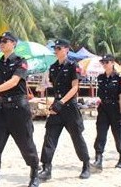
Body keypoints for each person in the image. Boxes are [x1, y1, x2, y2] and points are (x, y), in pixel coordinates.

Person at [0, 31, 40, 187]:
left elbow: (14, 82)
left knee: (26, 144)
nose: (2, 43)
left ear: (14, 44)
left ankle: (34, 173)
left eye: (6, 41)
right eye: (0, 41)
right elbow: (0, 85)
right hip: (3, 108)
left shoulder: (21, 62)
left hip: (19, 108)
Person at [37, 39, 90, 181]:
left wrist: (61, 102)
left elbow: (75, 88)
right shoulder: (53, 67)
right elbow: (52, 86)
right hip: (57, 106)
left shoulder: (73, 65)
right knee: (50, 136)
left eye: (59, 48)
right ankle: (46, 168)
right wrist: (44, 89)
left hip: (69, 107)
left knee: (77, 137)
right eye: (55, 48)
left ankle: (86, 165)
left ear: (66, 49)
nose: (56, 50)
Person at [92, 54, 121, 171]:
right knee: (101, 133)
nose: (105, 64)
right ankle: (98, 158)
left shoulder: (119, 78)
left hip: (115, 109)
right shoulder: (100, 77)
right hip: (103, 109)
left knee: (118, 134)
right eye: (103, 62)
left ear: (113, 63)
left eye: (107, 62)